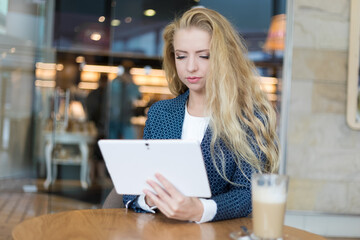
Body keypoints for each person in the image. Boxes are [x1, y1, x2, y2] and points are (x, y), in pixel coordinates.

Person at [120, 7, 279, 222]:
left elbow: (249, 193)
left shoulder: (248, 118)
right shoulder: (160, 113)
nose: (191, 67)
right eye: (181, 56)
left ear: (225, 58)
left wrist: (201, 210)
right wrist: (149, 200)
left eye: (204, 56)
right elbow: (135, 186)